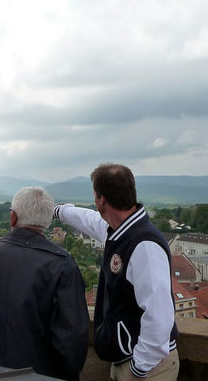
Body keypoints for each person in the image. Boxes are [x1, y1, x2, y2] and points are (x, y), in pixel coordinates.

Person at [0, 187, 89, 380]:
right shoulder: (62, 264)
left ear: (13, 217)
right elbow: (73, 337)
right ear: (47, 222)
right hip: (39, 375)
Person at [53, 163, 179, 380]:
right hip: (127, 360)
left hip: (148, 368)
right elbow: (89, 220)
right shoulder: (119, 229)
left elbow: (159, 314)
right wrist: (58, 211)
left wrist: (139, 367)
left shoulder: (144, 245)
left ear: (101, 199)